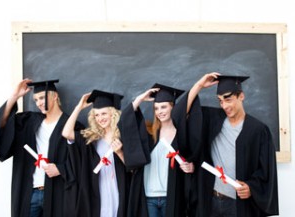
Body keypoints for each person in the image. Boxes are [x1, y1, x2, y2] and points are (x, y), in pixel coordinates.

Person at [188, 72, 279, 217]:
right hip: (211, 200)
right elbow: (186, 113)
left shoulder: (258, 130)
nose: (224, 105)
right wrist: (199, 85)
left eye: (228, 99)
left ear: (241, 96)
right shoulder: (212, 120)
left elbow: (266, 170)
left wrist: (251, 187)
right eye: (220, 101)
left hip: (237, 204)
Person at [0, 78, 83, 217]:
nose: (39, 103)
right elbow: (2, 123)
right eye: (36, 100)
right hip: (30, 193)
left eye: (42, 98)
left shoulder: (72, 126)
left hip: (58, 192)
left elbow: (82, 162)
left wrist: (60, 169)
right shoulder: (28, 122)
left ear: (54, 96)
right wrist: (15, 96)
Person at [120, 83, 198, 217]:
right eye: (156, 108)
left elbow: (194, 157)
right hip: (149, 197)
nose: (160, 111)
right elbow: (125, 124)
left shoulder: (182, 134)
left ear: (173, 107)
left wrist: (191, 166)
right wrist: (140, 99)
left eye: (163, 107)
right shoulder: (149, 133)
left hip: (171, 196)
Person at [62, 89, 130, 217]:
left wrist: (120, 152)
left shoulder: (123, 136)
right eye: (96, 115)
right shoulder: (92, 139)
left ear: (112, 114)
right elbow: (66, 133)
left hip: (118, 187)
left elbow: (133, 169)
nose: (100, 118)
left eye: (104, 114)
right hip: (97, 188)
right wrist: (79, 107)